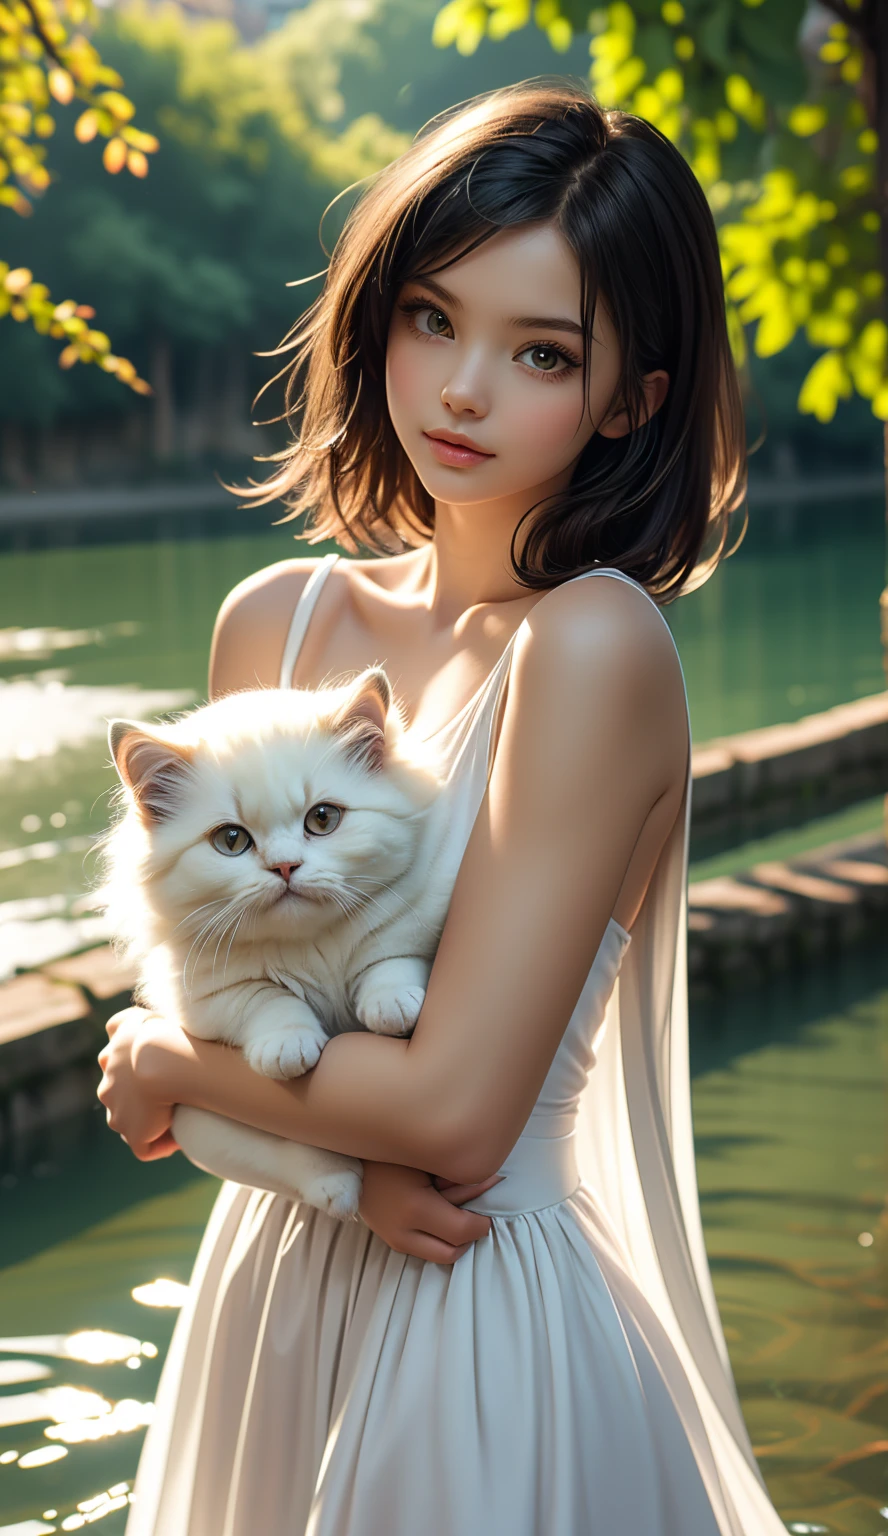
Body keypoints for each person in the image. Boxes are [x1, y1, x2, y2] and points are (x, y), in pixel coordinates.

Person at [97, 79, 788, 1533]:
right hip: (279, 1272)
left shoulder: (593, 648)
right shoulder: (273, 624)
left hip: (477, 1303)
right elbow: (214, 953)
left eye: (541, 351)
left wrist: (162, 1059)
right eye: (431, 318)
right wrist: (238, 1091)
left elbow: (456, 1113)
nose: (464, 389)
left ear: (631, 398)